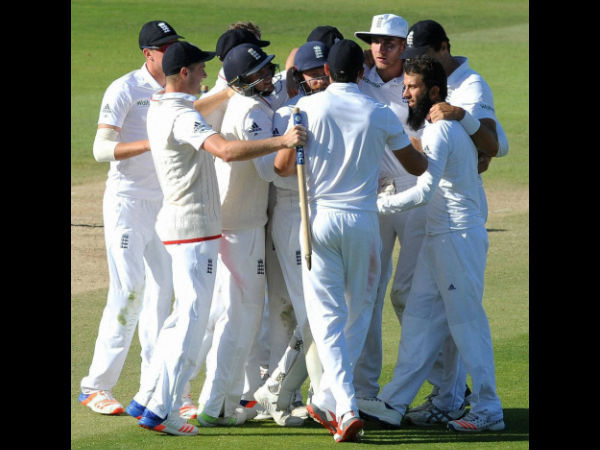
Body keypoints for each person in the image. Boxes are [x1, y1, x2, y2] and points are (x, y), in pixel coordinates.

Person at [124, 40, 306, 436]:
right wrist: (283, 141)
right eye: (200, 69)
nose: (207, 74)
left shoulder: (161, 104)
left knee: (182, 320)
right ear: (184, 73)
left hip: (186, 226)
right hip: (194, 230)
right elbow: (223, 151)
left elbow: (202, 106)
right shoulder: (183, 117)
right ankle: (163, 411)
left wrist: (231, 88)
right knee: (191, 320)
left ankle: (148, 398)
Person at [273, 39, 427, 442]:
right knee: (358, 313)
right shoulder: (378, 112)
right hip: (362, 220)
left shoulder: (306, 108)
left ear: (326, 74)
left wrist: (297, 139)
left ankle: (332, 398)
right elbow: (416, 164)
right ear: (361, 74)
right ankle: (342, 404)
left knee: (328, 316)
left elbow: (283, 166)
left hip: (318, 219)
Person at [374, 55, 505, 433]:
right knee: (417, 318)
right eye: (405, 86)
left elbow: (424, 192)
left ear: (433, 91)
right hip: (440, 235)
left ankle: (488, 410)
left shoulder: (441, 131)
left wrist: (378, 204)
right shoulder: (444, 127)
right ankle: (394, 403)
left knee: (466, 323)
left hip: (456, 237)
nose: (405, 94)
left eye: (411, 87)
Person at [78, 20, 184, 416]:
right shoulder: (125, 88)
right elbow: (101, 149)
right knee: (129, 291)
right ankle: (95, 387)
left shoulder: (180, 88)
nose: (172, 53)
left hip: (166, 205)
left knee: (163, 294)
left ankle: (155, 386)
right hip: (127, 202)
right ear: (148, 53)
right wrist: (152, 144)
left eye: (175, 45)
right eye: (164, 47)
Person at [193, 42, 289, 427]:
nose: (267, 77)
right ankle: (214, 404)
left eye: (267, 69)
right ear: (241, 81)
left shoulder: (252, 104)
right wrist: (289, 139)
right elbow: (269, 171)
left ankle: (220, 400)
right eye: (258, 73)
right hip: (239, 227)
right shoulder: (250, 110)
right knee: (240, 317)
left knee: (238, 316)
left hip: (239, 223)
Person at [345, 15, 431, 427]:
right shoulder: (356, 79)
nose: (382, 49)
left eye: (391, 43)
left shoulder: (415, 82)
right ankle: (364, 390)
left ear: (404, 45)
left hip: (415, 192)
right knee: (368, 292)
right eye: (375, 42)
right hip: (371, 194)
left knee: (411, 292)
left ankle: (445, 386)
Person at [252, 40, 332, 426]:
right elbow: (270, 171)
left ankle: (282, 391)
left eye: (324, 70)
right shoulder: (287, 113)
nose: (320, 78)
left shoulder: (337, 108)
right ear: (299, 77)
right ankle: (310, 395)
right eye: (312, 73)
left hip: (326, 213)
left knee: (320, 313)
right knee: (310, 313)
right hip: (292, 214)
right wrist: (291, 141)